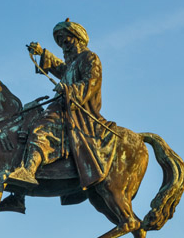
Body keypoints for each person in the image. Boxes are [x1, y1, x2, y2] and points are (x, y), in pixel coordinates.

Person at [8, 19, 117, 190]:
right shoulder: (72, 64)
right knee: (27, 116)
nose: (63, 46)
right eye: (60, 43)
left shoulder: (90, 58)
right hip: (62, 106)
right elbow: (60, 67)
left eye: (65, 41)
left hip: (76, 110)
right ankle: (17, 195)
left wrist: (69, 89)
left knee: (41, 126)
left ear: (77, 39)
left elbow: (92, 82)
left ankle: (28, 171)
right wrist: (42, 53)